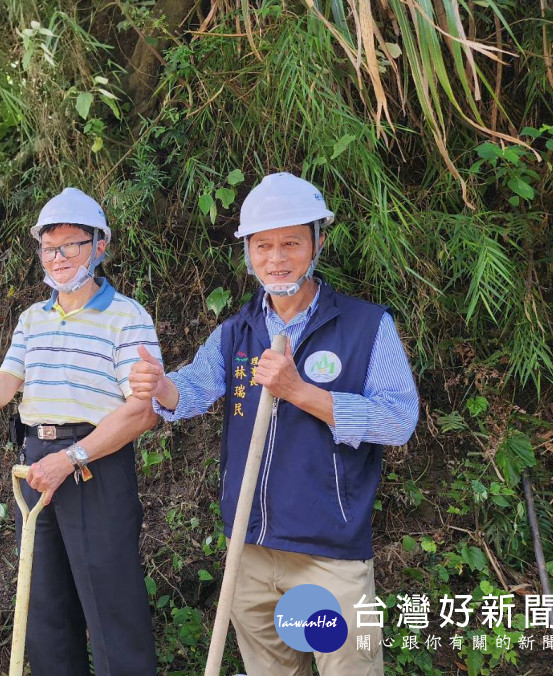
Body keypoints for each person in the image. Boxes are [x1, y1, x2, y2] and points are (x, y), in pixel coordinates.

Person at [129, 172, 420, 675]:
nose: (277, 258)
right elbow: (193, 389)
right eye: (263, 245)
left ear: (318, 242)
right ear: (247, 252)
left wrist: (300, 392)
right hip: (250, 550)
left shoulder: (366, 326)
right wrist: (160, 386)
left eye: (291, 242)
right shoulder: (237, 331)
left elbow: (398, 421)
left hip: (328, 557)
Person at [0, 187, 160, 675]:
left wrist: (72, 458)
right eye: (50, 248)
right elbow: (4, 390)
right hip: (35, 460)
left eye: (72, 244)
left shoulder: (126, 317)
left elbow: (143, 411)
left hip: (95, 463)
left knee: (111, 600)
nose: (59, 257)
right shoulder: (32, 318)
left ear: (100, 246)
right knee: (44, 600)